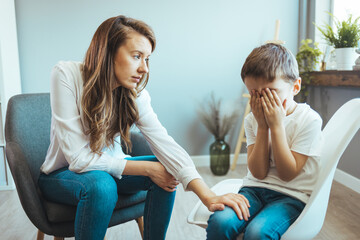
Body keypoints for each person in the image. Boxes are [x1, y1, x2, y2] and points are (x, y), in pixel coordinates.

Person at [38, 15, 246, 240]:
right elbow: (78, 159)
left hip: (111, 171)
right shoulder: (66, 74)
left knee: (166, 169)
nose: (144, 68)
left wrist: (207, 195)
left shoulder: (134, 94)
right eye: (137, 56)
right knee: (102, 185)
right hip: (63, 175)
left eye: (147, 59)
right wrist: (147, 169)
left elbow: (165, 143)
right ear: (108, 52)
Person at [206, 43, 323, 240]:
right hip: (254, 189)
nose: (263, 102)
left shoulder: (309, 120)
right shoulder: (253, 120)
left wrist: (276, 126)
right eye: (255, 94)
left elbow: (287, 174)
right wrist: (263, 127)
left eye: (270, 93)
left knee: (258, 233)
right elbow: (258, 173)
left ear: (295, 87)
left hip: (292, 196)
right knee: (220, 222)